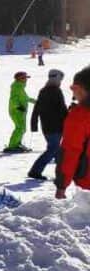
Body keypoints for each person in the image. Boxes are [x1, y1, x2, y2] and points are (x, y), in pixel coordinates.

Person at [56, 66, 90, 199]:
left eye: (73, 88)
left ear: (81, 90)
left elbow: (70, 151)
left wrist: (61, 185)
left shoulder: (79, 116)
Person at [28, 69, 67, 180]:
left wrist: (34, 123)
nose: (61, 81)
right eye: (60, 79)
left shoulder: (43, 90)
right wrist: (69, 120)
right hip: (55, 126)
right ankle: (35, 171)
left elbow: (37, 107)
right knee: (53, 149)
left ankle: (64, 172)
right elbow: (62, 109)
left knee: (56, 150)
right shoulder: (56, 91)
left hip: (46, 126)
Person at [4, 72, 35, 152]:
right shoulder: (16, 87)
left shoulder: (20, 87)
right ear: (20, 79)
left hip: (20, 111)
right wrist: (18, 107)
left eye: (26, 78)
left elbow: (25, 98)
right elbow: (13, 99)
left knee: (22, 128)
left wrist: (36, 102)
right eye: (24, 78)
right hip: (16, 111)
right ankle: (12, 146)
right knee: (20, 128)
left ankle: (17, 143)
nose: (26, 80)